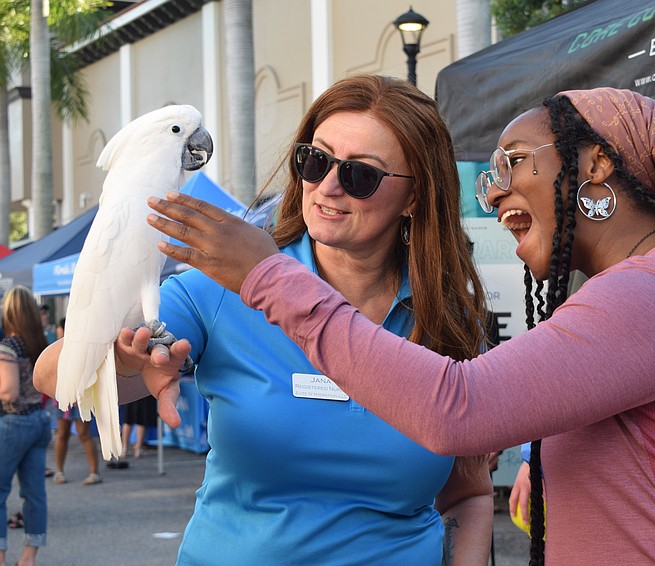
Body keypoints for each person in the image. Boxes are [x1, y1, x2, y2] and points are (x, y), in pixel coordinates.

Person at [139, 87, 655, 565]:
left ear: (596, 165)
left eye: (514, 162)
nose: (496, 189)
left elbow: (460, 410)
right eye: (314, 162)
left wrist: (267, 276)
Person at [35, 75, 494, 565]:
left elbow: (468, 492)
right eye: (314, 161)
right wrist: (128, 363)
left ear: (415, 196)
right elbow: (51, 373)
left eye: (360, 175)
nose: (327, 187)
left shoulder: (447, 319)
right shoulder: (227, 282)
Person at [0, 286, 51, 566]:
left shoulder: (8, 347)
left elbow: (8, 392)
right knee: (34, 494)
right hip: (39, 419)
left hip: (14, 421)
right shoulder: (40, 344)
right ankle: (29, 557)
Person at [51, 318, 102, 486]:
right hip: (61, 397)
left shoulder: (82, 348)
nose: (58, 332)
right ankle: (59, 471)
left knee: (84, 434)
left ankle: (94, 472)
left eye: (60, 329)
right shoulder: (56, 348)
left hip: (80, 397)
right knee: (62, 434)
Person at [120, 395, 156, 460]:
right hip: (143, 394)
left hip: (130, 393)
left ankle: (124, 449)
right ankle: (138, 449)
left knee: (128, 419)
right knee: (142, 419)